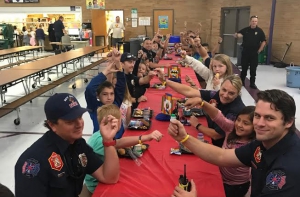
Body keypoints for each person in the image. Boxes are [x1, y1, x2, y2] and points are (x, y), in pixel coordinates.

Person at [169, 89, 300, 197]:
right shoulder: (265, 141)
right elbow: (222, 156)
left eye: (269, 118)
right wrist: (184, 138)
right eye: (257, 116)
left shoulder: (288, 169)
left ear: (289, 122)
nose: (259, 124)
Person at [15, 93, 120, 197]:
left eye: (80, 117)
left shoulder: (78, 144)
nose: (79, 124)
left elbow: (109, 177)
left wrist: (108, 140)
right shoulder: (35, 161)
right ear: (52, 125)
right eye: (70, 121)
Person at [84, 104, 163, 194]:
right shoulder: (100, 140)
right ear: (115, 122)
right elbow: (118, 144)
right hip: (95, 184)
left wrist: (146, 137)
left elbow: (119, 142)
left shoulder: (100, 134)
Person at [156, 72, 245, 147]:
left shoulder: (236, 111)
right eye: (224, 90)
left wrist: (197, 125)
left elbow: (216, 135)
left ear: (238, 94)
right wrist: (165, 81)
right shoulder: (217, 94)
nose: (225, 95)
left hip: (219, 147)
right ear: (220, 86)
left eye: (231, 93)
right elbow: (190, 91)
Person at [85, 49, 126, 134]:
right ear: (97, 95)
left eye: (112, 94)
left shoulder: (116, 103)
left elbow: (121, 85)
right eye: (105, 94)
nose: (109, 97)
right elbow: (90, 89)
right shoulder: (94, 107)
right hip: (101, 144)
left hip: (119, 143)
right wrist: (106, 71)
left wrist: (118, 63)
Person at [235, 15, 266, 89]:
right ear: (250, 21)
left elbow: (264, 41)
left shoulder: (260, 31)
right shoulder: (246, 30)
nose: (254, 22)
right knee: (244, 68)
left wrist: (259, 50)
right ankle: (242, 82)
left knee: (253, 69)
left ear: (257, 22)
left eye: (255, 21)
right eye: (253, 21)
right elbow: (238, 34)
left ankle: (252, 83)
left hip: (254, 53)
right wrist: (237, 35)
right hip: (245, 52)